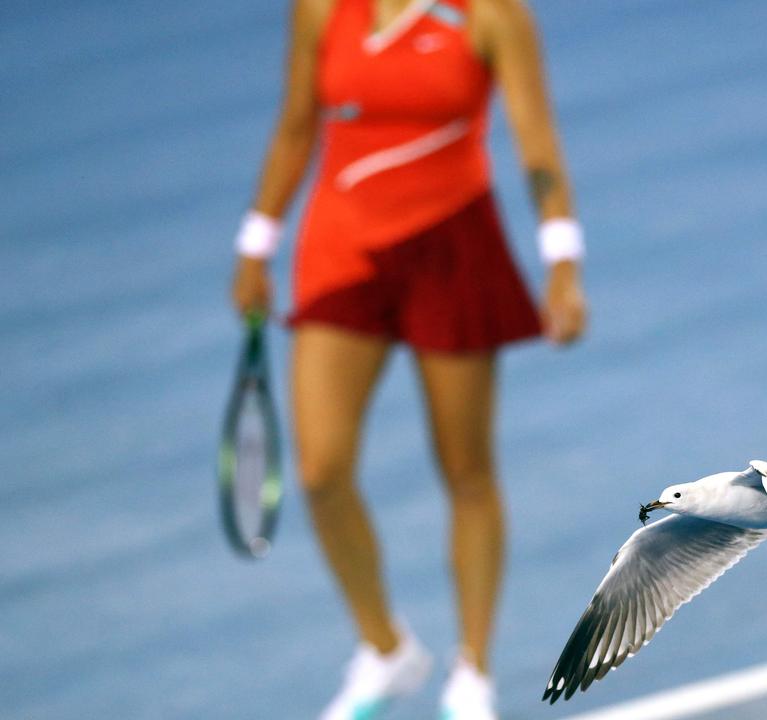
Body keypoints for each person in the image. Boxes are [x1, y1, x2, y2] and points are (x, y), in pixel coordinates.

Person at [229, 0, 587, 717]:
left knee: (466, 472)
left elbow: (535, 137)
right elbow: (298, 123)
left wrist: (563, 262)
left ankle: (472, 677)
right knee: (322, 471)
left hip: (453, 249)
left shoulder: (489, 14)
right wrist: (257, 239)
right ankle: (386, 652)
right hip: (341, 252)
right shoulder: (321, 10)